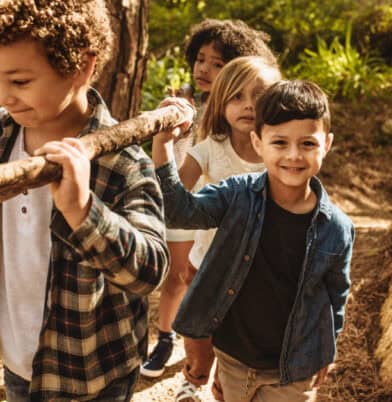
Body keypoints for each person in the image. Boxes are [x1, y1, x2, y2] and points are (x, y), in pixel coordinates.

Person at [0, 1, 169, 400]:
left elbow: (150, 271)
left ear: (82, 66)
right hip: (19, 357)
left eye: (20, 81)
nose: (2, 97)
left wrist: (83, 211)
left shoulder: (122, 162)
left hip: (92, 370)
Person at [153, 80, 355, 402]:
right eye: (279, 142)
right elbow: (179, 212)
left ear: (326, 144)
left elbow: (335, 294)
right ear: (258, 142)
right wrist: (163, 144)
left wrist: (327, 348)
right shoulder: (237, 195)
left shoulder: (337, 228)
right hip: (234, 358)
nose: (293, 155)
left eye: (307, 143)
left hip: (294, 368)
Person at [143, 16, 277, 398]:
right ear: (222, 101)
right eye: (237, 97)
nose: (247, 105)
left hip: (254, 267)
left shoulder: (277, 151)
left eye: (257, 98)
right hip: (206, 258)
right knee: (199, 334)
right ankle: (192, 373)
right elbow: (175, 194)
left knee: (237, 340)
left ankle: (226, 383)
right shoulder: (208, 145)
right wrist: (163, 145)